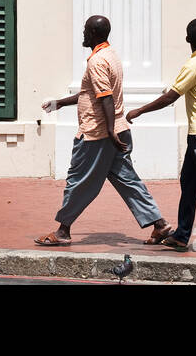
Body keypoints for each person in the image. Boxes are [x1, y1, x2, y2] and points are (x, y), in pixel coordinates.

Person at [35, 15, 172, 247]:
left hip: (97, 134)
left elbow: (106, 98)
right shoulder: (111, 56)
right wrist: (59, 103)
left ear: (95, 34)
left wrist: (109, 132)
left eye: (86, 30)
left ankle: (63, 231)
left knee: (78, 181)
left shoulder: (97, 61)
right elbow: (89, 93)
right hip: (117, 130)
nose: (83, 33)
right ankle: (159, 225)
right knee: (127, 180)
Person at [126, 18, 196, 254]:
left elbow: (171, 97)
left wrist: (140, 110)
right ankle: (181, 236)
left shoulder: (194, 65)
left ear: (188, 40)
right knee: (189, 182)